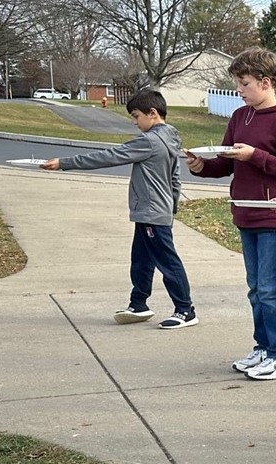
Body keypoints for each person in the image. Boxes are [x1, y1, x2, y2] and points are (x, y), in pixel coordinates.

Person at [187, 47, 276, 380]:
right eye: (238, 84)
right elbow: (226, 162)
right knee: (256, 288)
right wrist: (202, 167)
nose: (239, 91)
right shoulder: (239, 117)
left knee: (272, 288)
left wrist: (256, 155)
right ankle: (264, 347)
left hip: (275, 213)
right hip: (245, 213)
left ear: (265, 82)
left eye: (244, 84)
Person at [43, 90, 196, 330]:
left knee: (168, 262)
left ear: (153, 113)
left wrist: (64, 163)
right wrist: (171, 205)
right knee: (142, 260)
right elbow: (175, 178)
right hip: (156, 211)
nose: (135, 122)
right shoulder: (171, 138)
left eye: (136, 116)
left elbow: (109, 156)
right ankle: (138, 305)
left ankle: (185, 310)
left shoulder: (149, 141)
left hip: (152, 213)